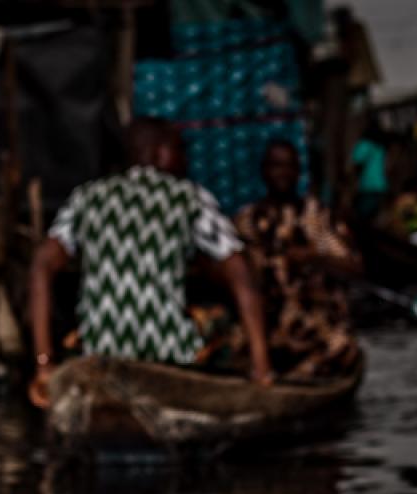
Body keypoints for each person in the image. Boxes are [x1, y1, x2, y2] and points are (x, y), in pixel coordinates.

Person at [28, 118, 272, 408]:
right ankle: (239, 378)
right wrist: (261, 365)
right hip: (168, 352)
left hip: (99, 350)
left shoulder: (87, 196)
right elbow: (239, 271)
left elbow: (41, 266)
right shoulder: (189, 197)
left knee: (76, 333)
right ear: (159, 153)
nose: (185, 160)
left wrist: (44, 363)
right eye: (179, 150)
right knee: (219, 320)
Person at [234, 139, 362, 381]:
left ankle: (295, 379)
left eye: (289, 166)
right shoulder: (247, 220)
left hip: (316, 327)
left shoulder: (317, 217)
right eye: (276, 165)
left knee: (342, 347)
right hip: (267, 328)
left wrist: (314, 257)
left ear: (298, 172)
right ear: (264, 170)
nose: (283, 173)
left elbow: (354, 267)